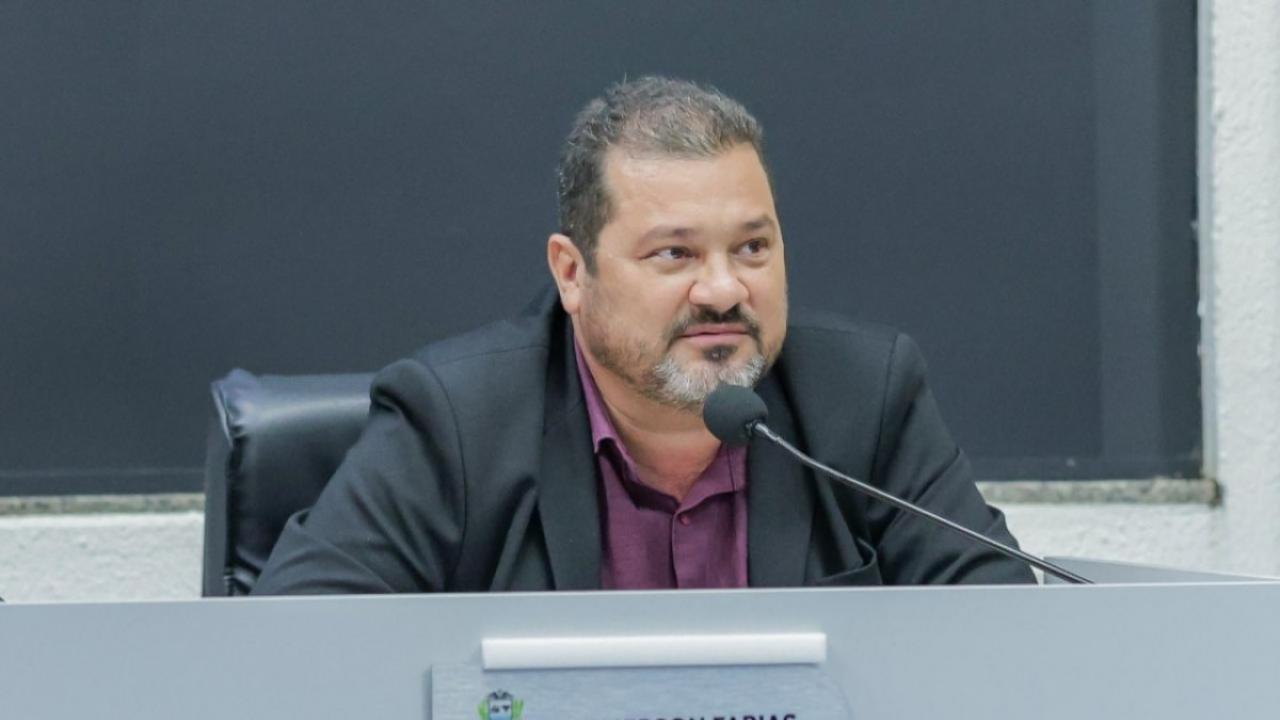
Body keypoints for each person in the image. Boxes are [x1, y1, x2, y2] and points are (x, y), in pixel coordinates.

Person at [252, 76, 1033, 595]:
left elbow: (1005, 633)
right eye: (675, 254)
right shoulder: (456, 422)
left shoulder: (865, 399)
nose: (724, 288)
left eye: (752, 248)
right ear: (572, 273)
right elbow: (295, 649)